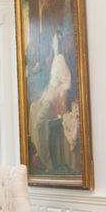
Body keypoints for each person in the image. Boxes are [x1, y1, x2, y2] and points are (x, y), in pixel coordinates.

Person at [29, 31, 71, 172]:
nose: (52, 42)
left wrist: (58, 91)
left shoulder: (60, 59)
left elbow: (67, 82)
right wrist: (44, 94)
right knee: (33, 107)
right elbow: (51, 83)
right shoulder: (54, 59)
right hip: (48, 95)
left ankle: (47, 162)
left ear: (57, 41)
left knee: (38, 123)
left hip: (54, 100)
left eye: (54, 39)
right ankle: (39, 152)